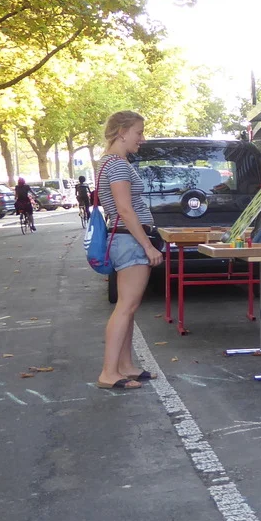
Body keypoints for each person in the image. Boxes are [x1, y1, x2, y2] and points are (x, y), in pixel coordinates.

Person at [94, 110, 164, 390]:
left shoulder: (108, 162)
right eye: (138, 132)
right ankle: (109, 372)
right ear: (122, 132)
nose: (142, 139)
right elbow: (124, 209)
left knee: (128, 307)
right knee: (126, 307)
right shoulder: (119, 165)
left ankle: (125, 366)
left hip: (122, 239)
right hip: (130, 240)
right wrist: (147, 245)